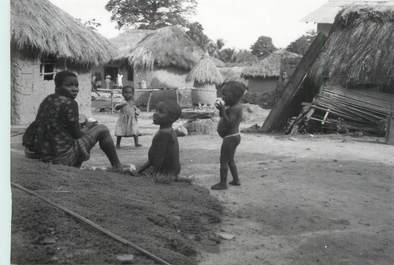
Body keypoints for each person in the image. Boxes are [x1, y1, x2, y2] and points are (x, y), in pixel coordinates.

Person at [22, 71, 130, 172]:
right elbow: (77, 135)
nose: (75, 89)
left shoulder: (48, 99)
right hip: (60, 158)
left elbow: (54, 127)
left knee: (81, 135)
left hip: (42, 154)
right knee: (103, 130)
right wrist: (88, 126)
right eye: (69, 85)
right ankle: (117, 166)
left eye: (76, 85)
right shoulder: (70, 103)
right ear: (57, 86)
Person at [211, 81, 246, 190]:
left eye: (225, 94)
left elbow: (229, 123)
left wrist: (223, 110)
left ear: (235, 96)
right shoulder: (234, 107)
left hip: (230, 138)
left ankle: (222, 183)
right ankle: (236, 180)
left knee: (223, 160)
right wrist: (221, 110)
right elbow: (224, 116)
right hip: (233, 136)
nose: (223, 97)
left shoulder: (236, 108)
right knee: (230, 159)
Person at [138, 101, 182, 183]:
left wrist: (154, 174)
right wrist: (140, 169)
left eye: (160, 112)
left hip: (165, 173)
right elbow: (154, 158)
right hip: (172, 171)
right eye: (156, 110)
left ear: (172, 118)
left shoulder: (164, 134)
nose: (155, 114)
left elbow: (159, 158)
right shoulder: (169, 131)